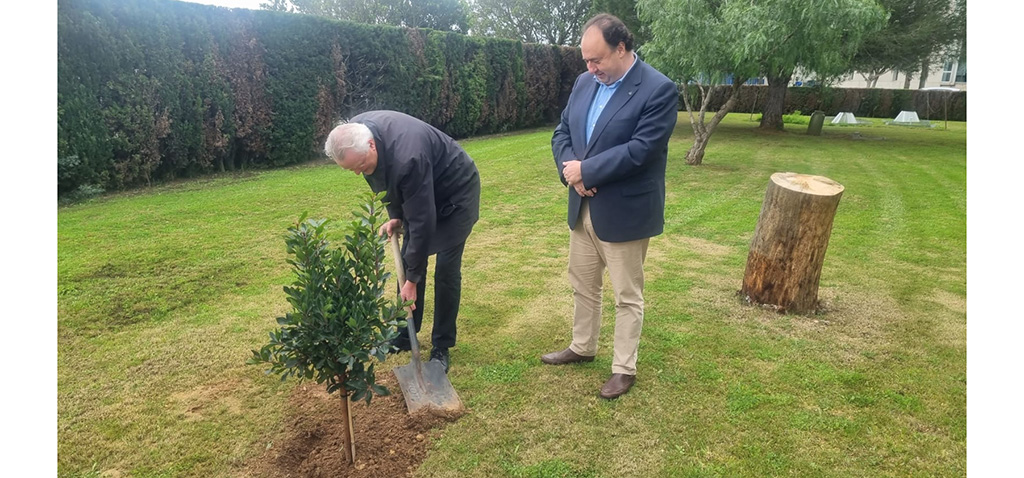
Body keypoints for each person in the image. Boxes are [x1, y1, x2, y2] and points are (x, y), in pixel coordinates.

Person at [542, 14, 678, 399]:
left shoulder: (658, 90)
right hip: (582, 209)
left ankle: (623, 368)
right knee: (583, 285)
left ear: (622, 48)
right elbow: (562, 132)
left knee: (626, 295)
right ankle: (582, 346)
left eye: (597, 59)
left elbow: (641, 151)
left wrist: (588, 170)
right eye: (586, 60)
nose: (590, 68)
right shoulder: (585, 82)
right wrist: (572, 172)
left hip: (625, 212)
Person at [324, 110, 480, 373]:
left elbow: (422, 222)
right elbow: (385, 182)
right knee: (409, 262)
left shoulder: (409, 156)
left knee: (446, 271)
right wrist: (396, 216)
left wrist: (412, 281)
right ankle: (405, 335)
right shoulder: (357, 136)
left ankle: (441, 345)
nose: (358, 174)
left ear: (372, 145)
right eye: (352, 169)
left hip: (455, 194)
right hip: (421, 191)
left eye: (359, 167)